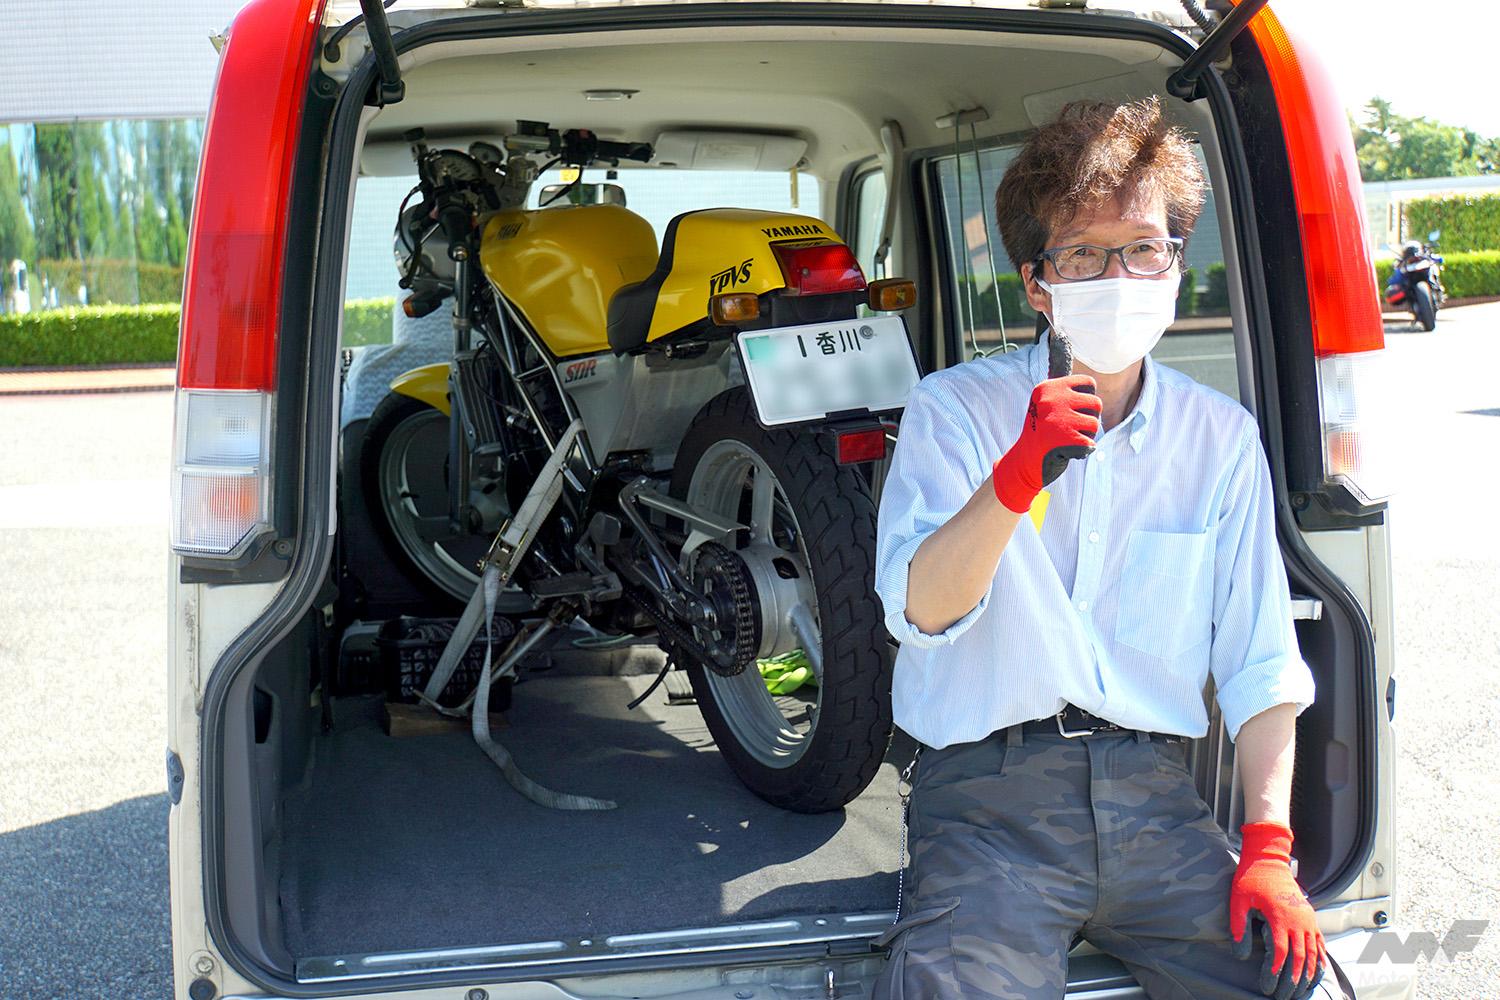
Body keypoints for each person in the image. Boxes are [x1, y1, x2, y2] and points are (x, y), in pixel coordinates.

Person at [871, 97, 1336, 1000]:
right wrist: (1015, 478)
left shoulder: (1220, 438)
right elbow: (919, 610)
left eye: (1145, 248)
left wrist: (1270, 849)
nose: (1119, 275)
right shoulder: (953, 410)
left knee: (1299, 987)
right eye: (1083, 253)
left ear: (1176, 265)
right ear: (1037, 284)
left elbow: (1261, 660)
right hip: (986, 802)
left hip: (1159, 801)